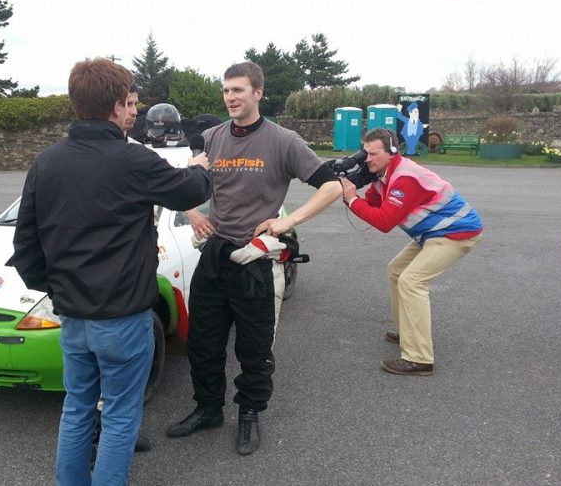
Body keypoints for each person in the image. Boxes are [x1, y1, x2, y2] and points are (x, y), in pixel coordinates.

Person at [10, 58, 211, 485]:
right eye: (129, 103)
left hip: (73, 316)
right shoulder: (132, 159)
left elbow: (25, 247)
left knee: (77, 407)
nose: (132, 110)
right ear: (118, 105)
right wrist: (200, 166)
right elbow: (191, 191)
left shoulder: (47, 162)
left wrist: (60, 291)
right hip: (123, 316)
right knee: (120, 414)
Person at [166, 61, 342, 455]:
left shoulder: (283, 141)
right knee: (203, 342)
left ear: (258, 93)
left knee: (254, 348)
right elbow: (183, 183)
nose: (230, 97)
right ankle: (208, 409)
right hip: (215, 255)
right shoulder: (211, 138)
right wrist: (192, 211)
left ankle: (249, 413)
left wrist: (287, 222)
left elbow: (332, 187)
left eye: (238, 90)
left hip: (255, 258)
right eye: (226, 90)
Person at [340, 128, 483, 376]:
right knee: (396, 270)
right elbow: (372, 204)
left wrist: (352, 199)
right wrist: (352, 190)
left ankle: (419, 359)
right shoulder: (384, 175)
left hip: (455, 232)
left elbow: (384, 221)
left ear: (392, 152)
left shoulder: (405, 178)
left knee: (411, 281)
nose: (367, 159)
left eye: (373, 154)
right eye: (365, 153)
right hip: (433, 233)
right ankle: (407, 332)